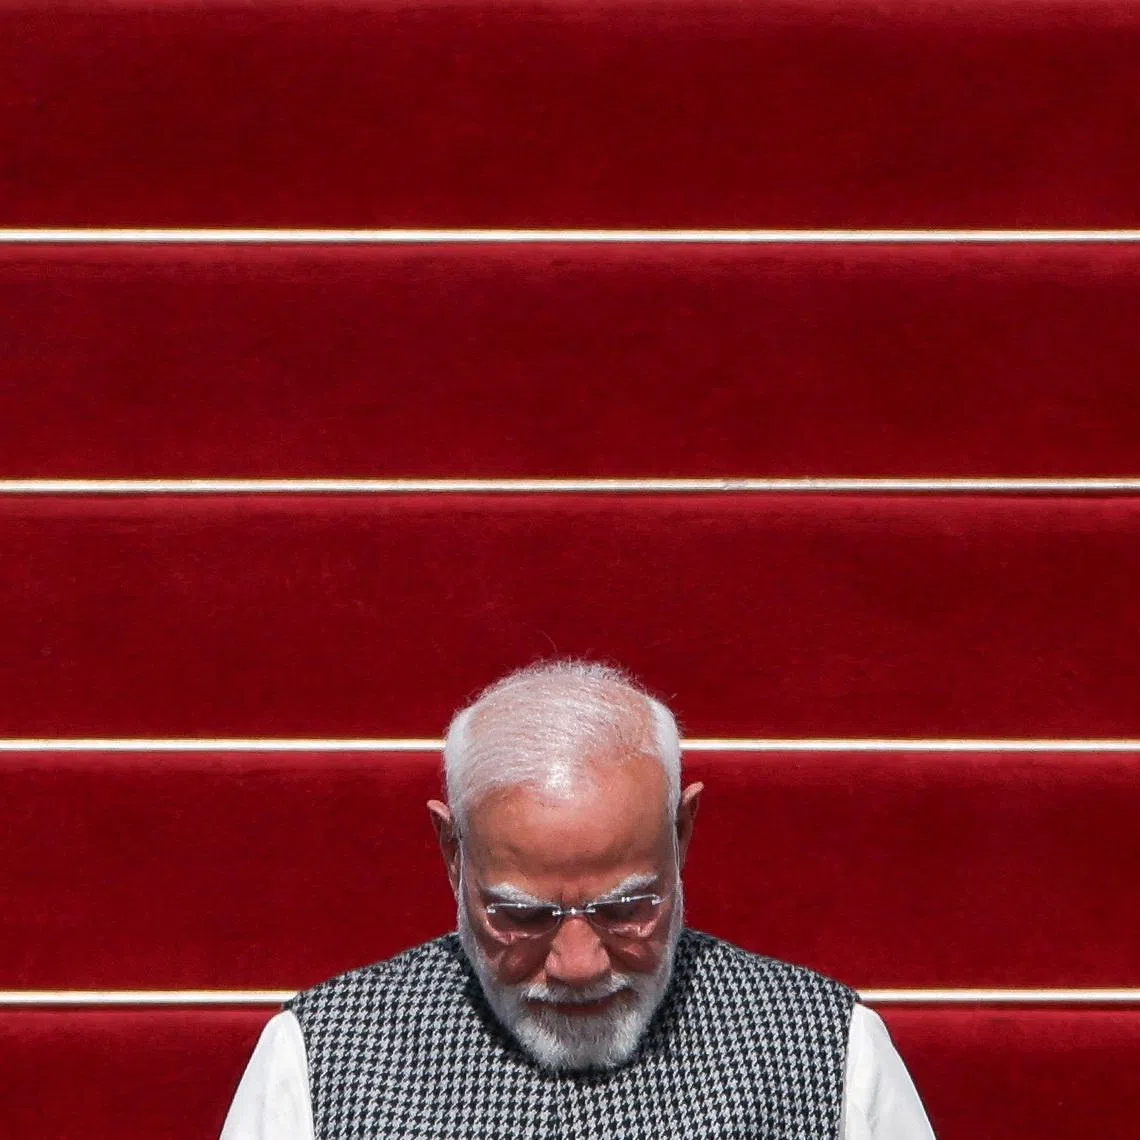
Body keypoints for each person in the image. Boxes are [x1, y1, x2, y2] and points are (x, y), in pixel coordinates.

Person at [221, 660, 935, 1139]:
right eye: (521, 916)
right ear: (451, 851)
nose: (577, 963)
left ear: (682, 835)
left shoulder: (822, 1047)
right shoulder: (322, 1060)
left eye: (625, 909)